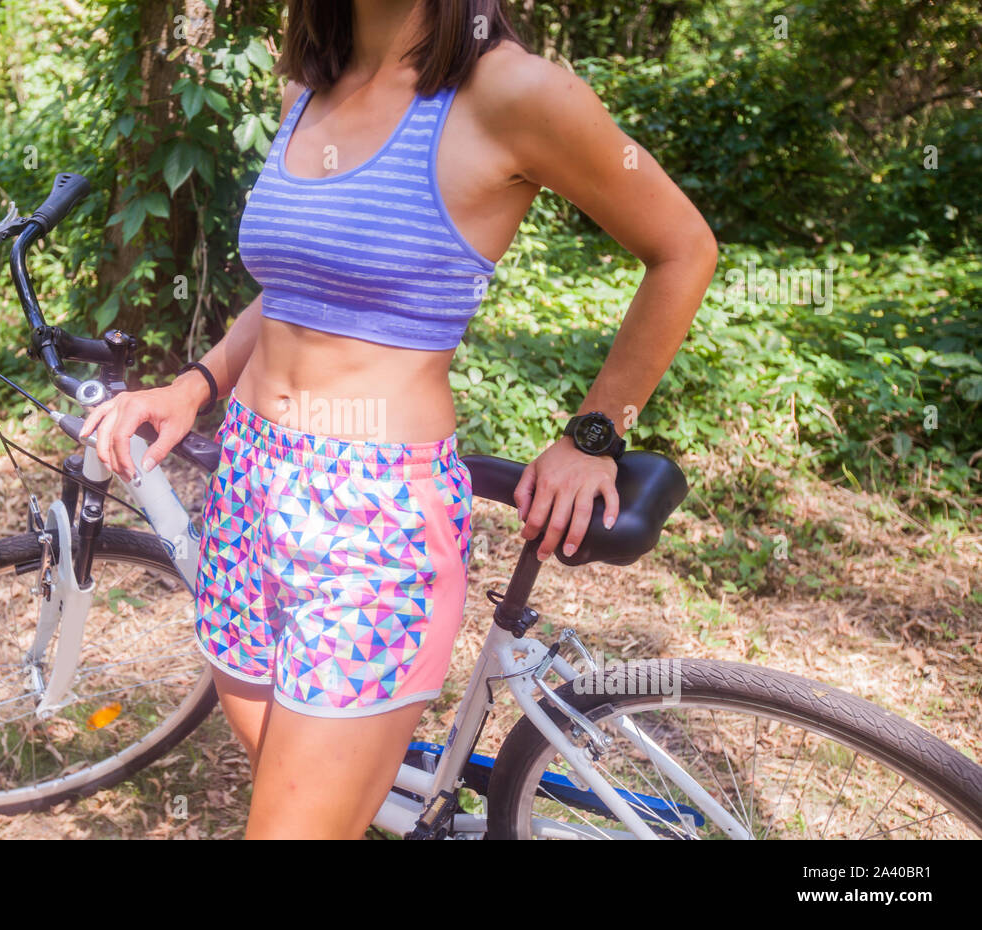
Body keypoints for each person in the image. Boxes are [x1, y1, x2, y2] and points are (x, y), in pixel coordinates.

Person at [81, 0, 717, 839]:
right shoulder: (308, 84)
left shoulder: (512, 92)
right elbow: (294, 290)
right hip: (246, 493)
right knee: (317, 804)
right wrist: (195, 386)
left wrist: (592, 436)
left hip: (372, 525)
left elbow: (683, 249)